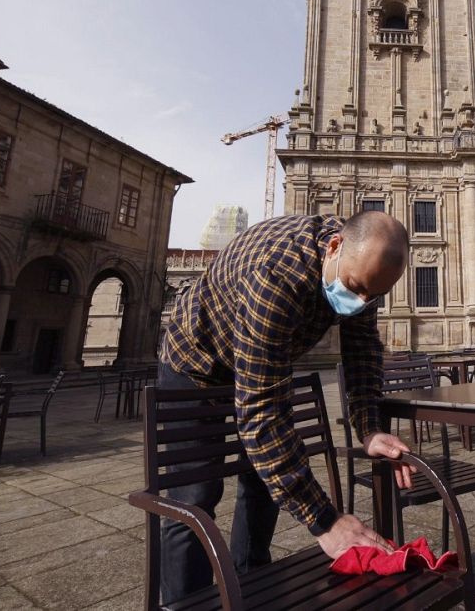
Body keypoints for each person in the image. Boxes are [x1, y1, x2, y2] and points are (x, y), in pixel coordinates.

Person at [156, 210, 414, 602]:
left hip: (258, 358)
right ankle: (185, 603)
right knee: (194, 497)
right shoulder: (274, 274)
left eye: (373, 296)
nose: (361, 302)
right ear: (334, 247)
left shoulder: (362, 268)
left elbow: (362, 349)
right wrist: (325, 521)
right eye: (355, 288)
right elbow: (261, 415)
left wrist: (369, 428)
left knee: (263, 483)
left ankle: (250, 586)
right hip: (196, 362)